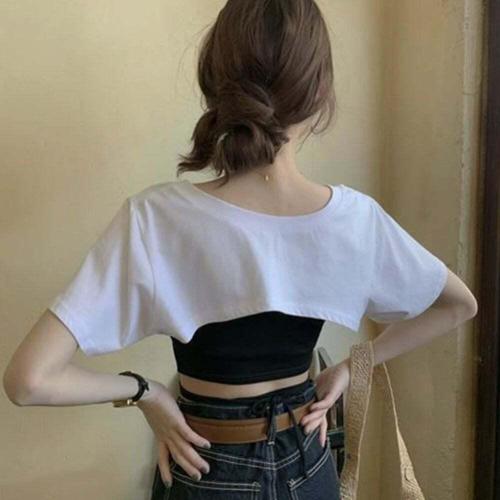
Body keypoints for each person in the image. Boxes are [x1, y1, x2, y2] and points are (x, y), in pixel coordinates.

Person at [3, 1, 478, 499]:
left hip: (206, 469)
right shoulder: (354, 219)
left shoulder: (156, 217)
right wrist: (351, 366)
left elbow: (28, 380)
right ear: (320, 91)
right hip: (309, 461)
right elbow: (458, 304)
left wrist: (146, 392)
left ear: (215, 81)